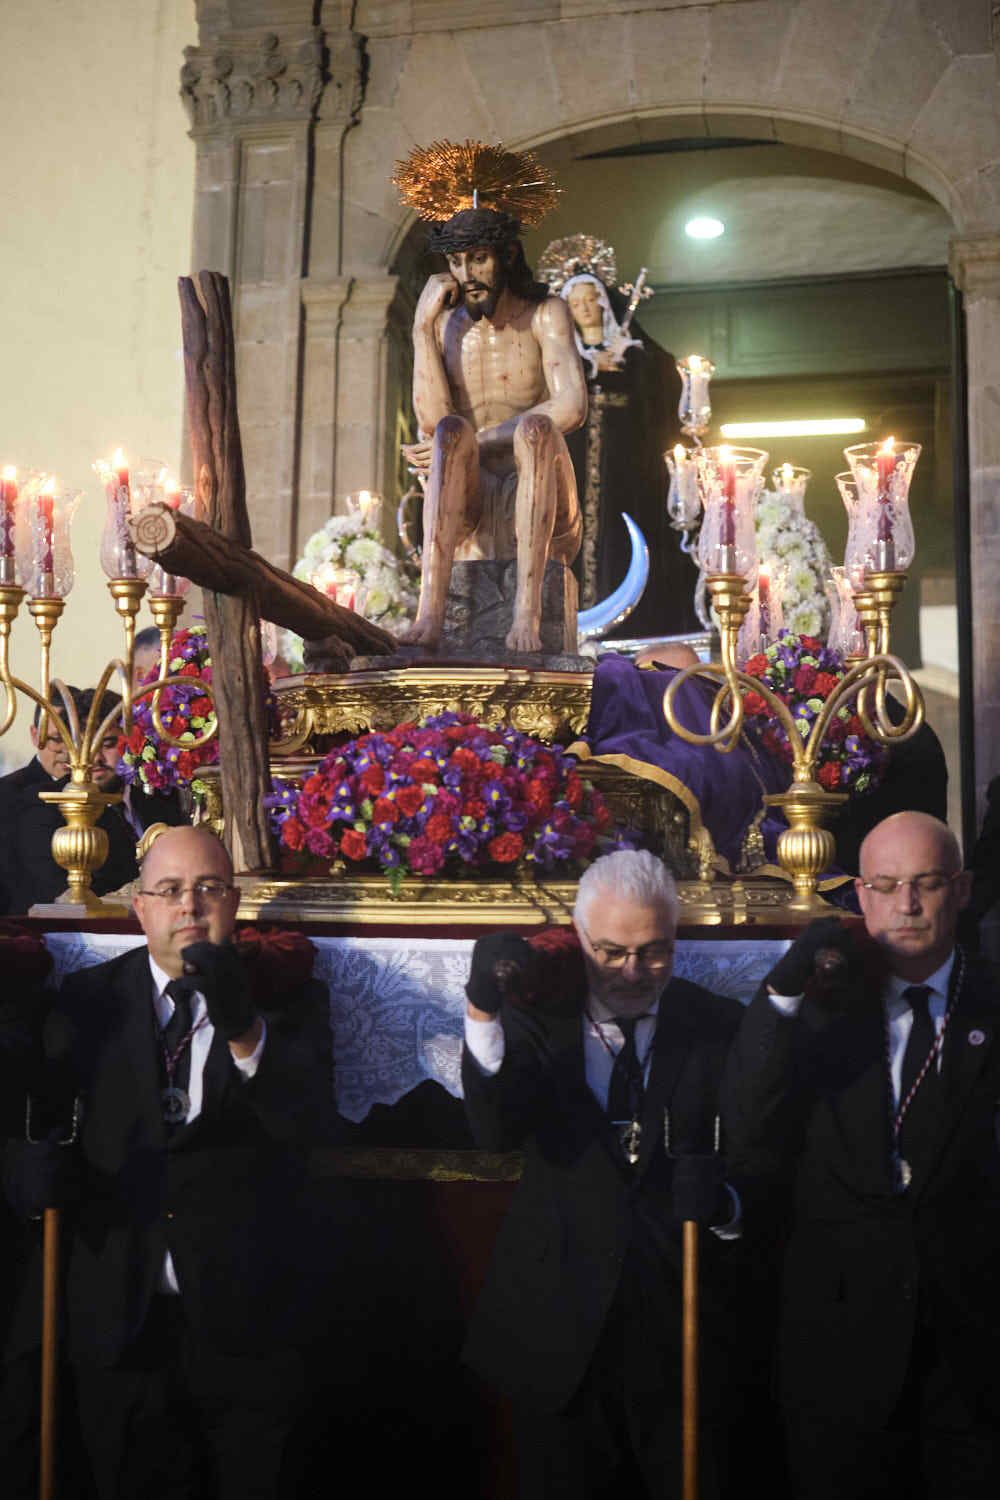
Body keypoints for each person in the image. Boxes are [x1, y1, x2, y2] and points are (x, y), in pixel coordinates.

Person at [4, 825, 340, 1500]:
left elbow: (303, 1128)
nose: (190, 905)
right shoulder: (86, 1002)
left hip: (246, 1326)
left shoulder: (287, 1001)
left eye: (209, 888)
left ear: (235, 902)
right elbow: (31, 1124)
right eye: (171, 890)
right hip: (119, 1317)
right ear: (142, 908)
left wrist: (244, 1027)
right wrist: (25, 1176)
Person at [725, 810, 1000, 1498]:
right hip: (839, 1339)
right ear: (860, 895)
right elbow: (749, 1123)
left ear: (961, 890)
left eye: (927, 884)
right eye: (886, 885)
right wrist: (783, 995)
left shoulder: (992, 1002)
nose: (907, 905)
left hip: (973, 1345)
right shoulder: (822, 1007)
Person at [461, 849, 748, 1499]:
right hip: (558, 1334)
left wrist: (724, 1203)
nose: (632, 971)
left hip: (680, 1333)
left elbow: (755, 1156)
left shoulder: (716, 1025)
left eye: (654, 952)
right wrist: (483, 1014)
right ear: (580, 934)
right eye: (613, 951)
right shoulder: (539, 1021)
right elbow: (494, 1134)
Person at [401, 206, 587, 652]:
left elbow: (572, 405)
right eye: (455, 262)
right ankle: (430, 611)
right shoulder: (445, 325)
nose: (467, 274)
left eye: (479, 258)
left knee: (537, 431)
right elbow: (432, 422)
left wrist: (483, 439)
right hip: (473, 496)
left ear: (507, 255)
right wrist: (420, 329)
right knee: (449, 431)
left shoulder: (546, 313)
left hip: (539, 481)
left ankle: (527, 613)